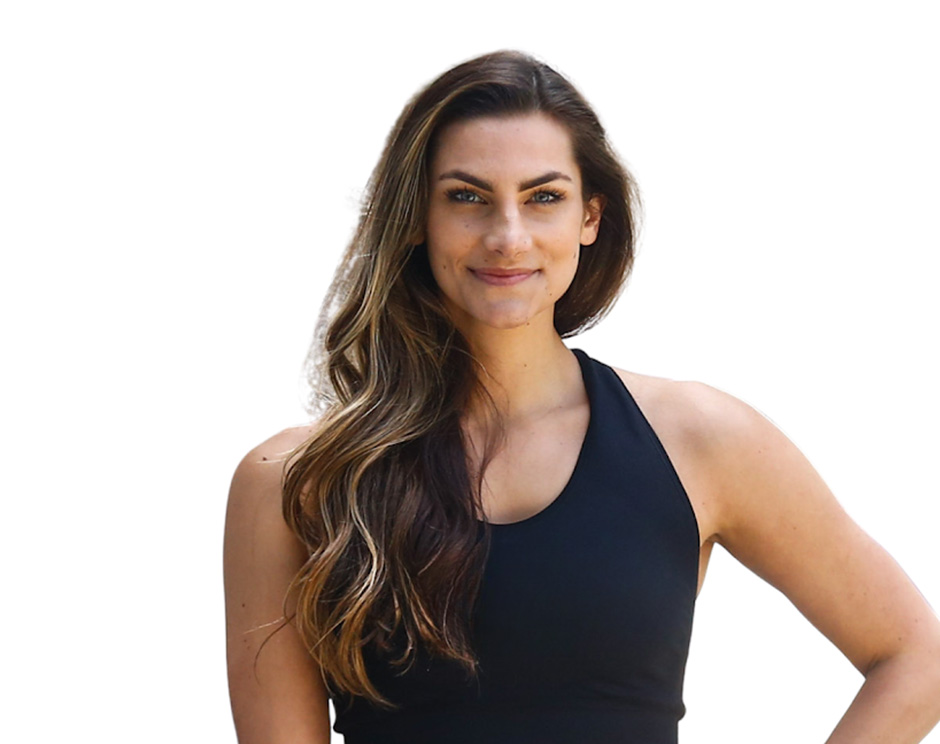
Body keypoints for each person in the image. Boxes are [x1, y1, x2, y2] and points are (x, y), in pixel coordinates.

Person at [223, 50, 940, 744]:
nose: (508, 236)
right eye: (467, 197)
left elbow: (918, 658)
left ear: (589, 218)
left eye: (544, 198)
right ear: (416, 217)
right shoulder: (294, 484)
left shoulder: (699, 441)